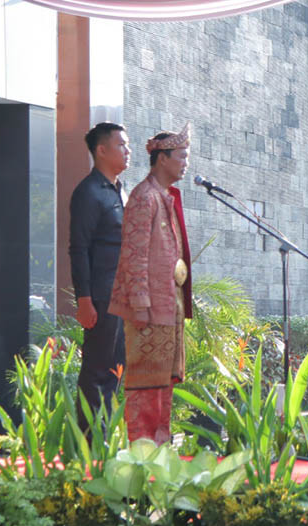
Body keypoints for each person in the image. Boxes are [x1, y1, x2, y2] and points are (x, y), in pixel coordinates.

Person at [109, 124, 193, 444]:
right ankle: (142, 455)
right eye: (181, 156)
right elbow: (134, 255)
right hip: (148, 311)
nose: (185, 163)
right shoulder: (144, 197)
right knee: (146, 386)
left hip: (168, 306)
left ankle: (160, 450)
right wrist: (140, 304)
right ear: (162, 159)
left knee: (164, 385)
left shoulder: (164, 197)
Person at [69, 122, 130, 426]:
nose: (128, 151)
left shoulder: (120, 191)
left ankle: (106, 439)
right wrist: (84, 299)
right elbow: (78, 248)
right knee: (97, 370)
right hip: (102, 295)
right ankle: (89, 445)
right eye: (121, 145)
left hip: (124, 295)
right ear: (101, 150)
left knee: (115, 369)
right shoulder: (89, 193)